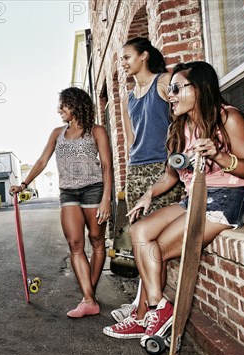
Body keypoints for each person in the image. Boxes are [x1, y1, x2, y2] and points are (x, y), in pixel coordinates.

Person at [104, 61, 244, 347]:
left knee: (156, 251)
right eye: (169, 90)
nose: (170, 95)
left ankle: (145, 314)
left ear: (198, 88)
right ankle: (157, 308)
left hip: (225, 198)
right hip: (192, 197)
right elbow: (171, 175)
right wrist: (149, 194)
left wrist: (222, 157)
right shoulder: (182, 128)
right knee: (139, 233)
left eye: (176, 88)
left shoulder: (227, 119)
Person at [11, 87, 113, 318]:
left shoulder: (96, 131)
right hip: (68, 192)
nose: (59, 110)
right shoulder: (57, 133)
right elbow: (42, 160)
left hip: (94, 190)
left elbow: (107, 165)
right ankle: (89, 299)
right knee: (75, 244)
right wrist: (24, 184)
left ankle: (89, 296)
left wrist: (106, 198)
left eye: (63, 105)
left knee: (97, 241)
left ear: (76, 105)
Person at [109, 37, 184, 324]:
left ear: (143, 56)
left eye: (127, 57)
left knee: (151, 239)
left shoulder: (164, 82)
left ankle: (146, 311)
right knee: (139, 239)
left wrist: (174, 158)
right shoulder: (127, 98)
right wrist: (130, 174)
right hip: (137, 171)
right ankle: (144, 306)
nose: (124, 62)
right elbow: (130, 141)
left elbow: (181, 119)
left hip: (163, 170)